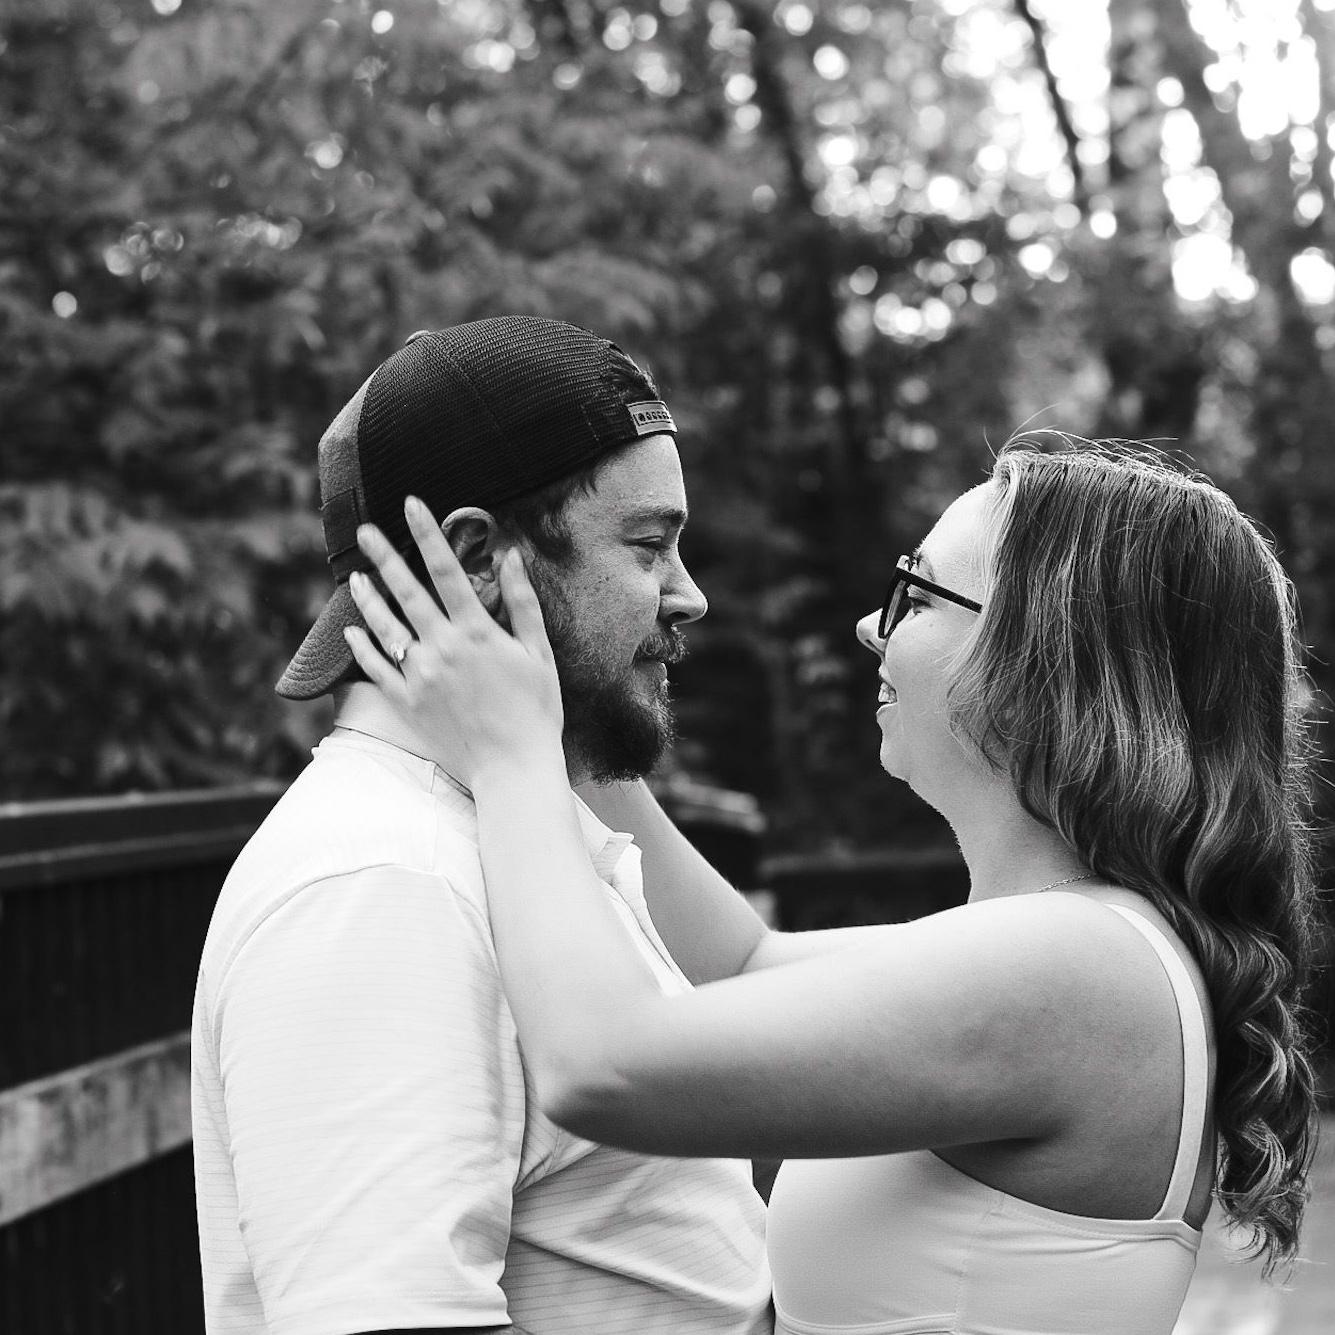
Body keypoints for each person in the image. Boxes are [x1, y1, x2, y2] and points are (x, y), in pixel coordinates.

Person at [343, 437, 1323, 1335]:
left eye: (916, 595)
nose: (868, 627)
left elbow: (601, 1067)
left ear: (1050, 656)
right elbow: (737, 964)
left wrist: (513, 751)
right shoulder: (1079, 949)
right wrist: (571, 678)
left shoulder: (1078, 968)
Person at [189, 316, 774, 1335]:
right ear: (474, 557)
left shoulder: (505, 834)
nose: (690, 597)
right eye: (648, 545)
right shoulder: (382, 886)